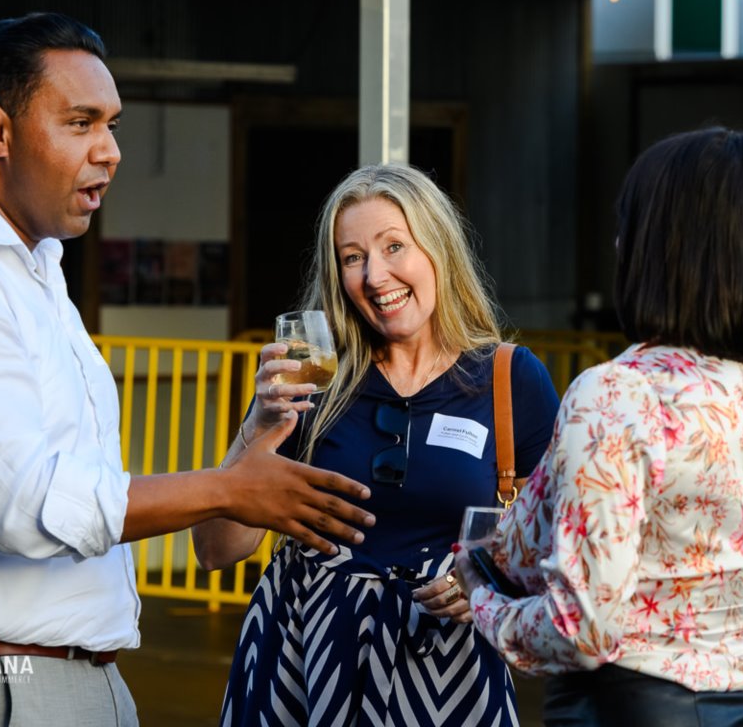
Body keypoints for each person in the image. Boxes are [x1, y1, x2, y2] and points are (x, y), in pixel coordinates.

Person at [0, 12, 374, 726]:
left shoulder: (32, 266)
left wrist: (252, 445)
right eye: (81, 122)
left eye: (112, 124)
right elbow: (21, 507)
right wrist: (227, 489)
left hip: (54, 681)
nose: (111, 151)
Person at [455, 126, 743, 725]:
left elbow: (582, 627)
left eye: (627, 224)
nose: (616, 241)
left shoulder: (617, 395)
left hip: (636, 707)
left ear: (658, 249)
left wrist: (483, 603)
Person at [192, 163, 561, 725]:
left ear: (438, 249)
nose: (375, 276)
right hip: (304, 658)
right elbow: (217, 551)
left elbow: (555, 537)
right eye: (352, 257)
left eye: (394, 247)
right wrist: (260, 426)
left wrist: (489, 577)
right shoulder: (310, 377)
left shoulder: (510, 380)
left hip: (448, 672)